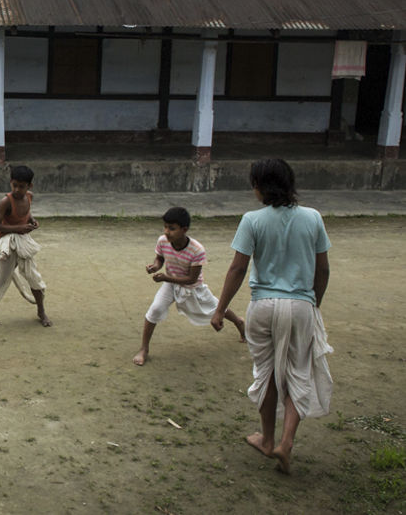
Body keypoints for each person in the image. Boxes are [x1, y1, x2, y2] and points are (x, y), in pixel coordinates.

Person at [212, 158, 332, 475]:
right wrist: (313, 304)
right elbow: (323, 269)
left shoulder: (252, 220)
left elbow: (238, 268)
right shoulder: (313, 218)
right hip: (301, 305)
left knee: (266, 373)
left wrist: (221, 308)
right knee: (298, 372)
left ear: (260, 187)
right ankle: (286, 442)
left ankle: (266, 439)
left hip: (263, 305)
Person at [132, 206, 247, 366]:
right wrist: (155, 266)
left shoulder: (197, 249)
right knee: (155, 309)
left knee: (216, 308)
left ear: (184, 229)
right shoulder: (163, 241)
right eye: (165, 227)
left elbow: (192, 279)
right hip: (170, 284)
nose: (166, 231)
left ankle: (239, 322)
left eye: (172, 228)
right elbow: (160, 259)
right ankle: (144, 349)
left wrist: (166, 277)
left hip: (193, 287)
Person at [0, 165, 50, 328]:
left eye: (21, 186)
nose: (17, 189)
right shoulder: (6, 201)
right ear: (10, 183)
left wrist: (31, 221)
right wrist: (19, 228)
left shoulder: (28, 197)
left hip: (23, 244)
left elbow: (26, 213)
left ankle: (41, 311)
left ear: (29, 186)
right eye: (14, 185)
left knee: (34, 278)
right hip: (6, 246)